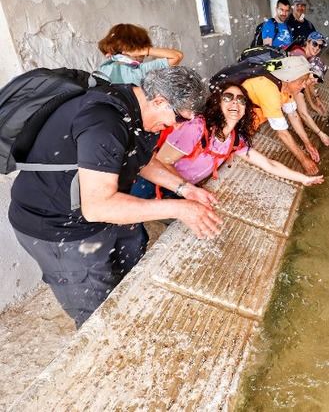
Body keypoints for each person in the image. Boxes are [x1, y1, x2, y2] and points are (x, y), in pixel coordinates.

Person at [8, 67, 221, 328]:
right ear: (159, 100)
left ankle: (127, 313)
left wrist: (184, 188)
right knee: (98, 313)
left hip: (99, 211)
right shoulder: (104, 122)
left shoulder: (137, 110)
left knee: (129, 261)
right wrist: (180, 209)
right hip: (57, 226)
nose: (177, 127)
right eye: (178, 118)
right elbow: (98, 207)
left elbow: (140, 158)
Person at [148, 81, 324, 193]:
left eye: (241, 100)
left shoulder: (234, 139)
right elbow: (158, 162)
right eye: (228, 97)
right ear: (217, 102)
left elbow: (269, 164)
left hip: (179, 190)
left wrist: (304, 179)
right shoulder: (196, 128)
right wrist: (186, 190)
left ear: (246, 109)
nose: (235, 102)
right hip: (154, 186)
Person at [234, 55, 321, 175]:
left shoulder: (285, 87)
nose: (304, 86)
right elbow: (282, 133)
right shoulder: (269, 90)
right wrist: (303, 159)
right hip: (235, 126)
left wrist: (308, 144)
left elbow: (293, 116)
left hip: (248, 123)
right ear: (289, 78)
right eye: (302, 81)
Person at [95, 23, 184, 85]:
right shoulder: (139, 71)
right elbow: (177, 56)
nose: (144, 56)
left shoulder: (104, 68)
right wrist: (146, 50)